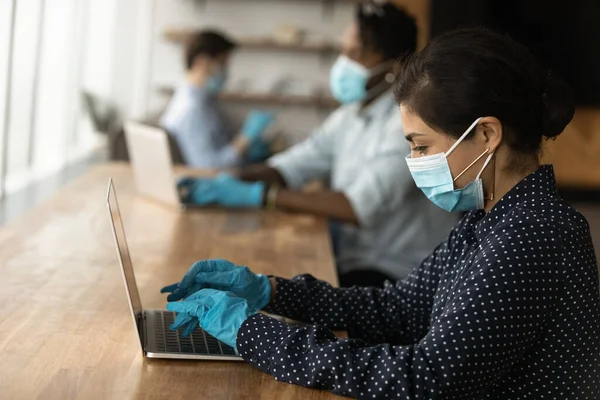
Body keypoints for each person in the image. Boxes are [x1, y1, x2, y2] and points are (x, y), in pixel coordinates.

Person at [162, 28, 600, 398]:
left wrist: (251, 332)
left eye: (422, 145)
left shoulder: (536, 235)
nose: (414, 161)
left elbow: (424, 379)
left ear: (486, 134)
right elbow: (399, 308)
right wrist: (271, 292)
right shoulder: (489, 220)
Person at [177, 2, 458, 286]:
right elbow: (297, 162)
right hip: (356, 258)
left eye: (356, 53)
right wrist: (232, 180)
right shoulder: (350, 115)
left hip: (398, 273)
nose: (344, 62)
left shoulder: (407, 124)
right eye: (343, 51)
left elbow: (358, 207)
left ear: (395, 68)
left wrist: (262, 195)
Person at [160, 30, 275, 169]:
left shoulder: (203, 99)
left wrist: (248, 149)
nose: (226, 71)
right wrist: (245, 140)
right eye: (222, 64)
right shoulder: (193, 109)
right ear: (201, 63)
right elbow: (207, 168)